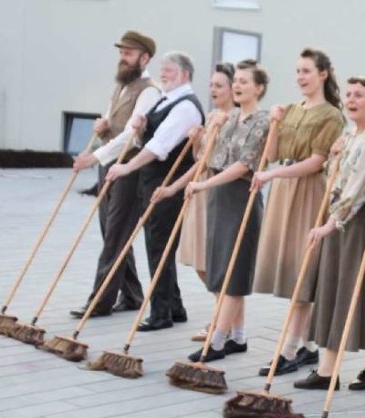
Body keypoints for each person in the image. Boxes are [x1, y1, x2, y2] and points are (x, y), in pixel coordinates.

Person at [153, 60, 270, 361]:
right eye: (237, 81)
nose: (238, 86)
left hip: (239, 197)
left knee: (234, 271)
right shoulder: (228, 120)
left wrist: (204, 186)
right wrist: (205, 138)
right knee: (223, 268)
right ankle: (238, 337)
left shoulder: (263, 121)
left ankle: (217, 341)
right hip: (219, 197)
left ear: (259, 88)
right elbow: (208, 159)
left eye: (245, 81)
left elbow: (244, 164)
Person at [250, 48, 345, 376]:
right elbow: (272, 153)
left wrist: (272, 175)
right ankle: (305, 345)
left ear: (323, 75)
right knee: (290, 268)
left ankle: (290, 348)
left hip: (308, 191)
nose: (301, 77)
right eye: (298, 71)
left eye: (307, 71)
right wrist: (275, 124)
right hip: (283, 190)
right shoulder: (290, 110)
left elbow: (317, 162)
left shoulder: (331, 115)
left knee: (304, 271)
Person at [298, 76, 365, 390]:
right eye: (348, 95)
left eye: (359, 95)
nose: (351, 100)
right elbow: (334, 183)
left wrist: (330, 223)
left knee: (356, 287)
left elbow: (358, 187)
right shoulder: (350, 134)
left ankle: (328, 372)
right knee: (341, 286)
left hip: (359, 220)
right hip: (339, 217)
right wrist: (334, 157)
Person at [106, 51, 205, 332]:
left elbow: (160, 146)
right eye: (162, 70)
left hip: (168, 185)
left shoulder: (185, 106)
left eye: (170, 70)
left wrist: (126, 168)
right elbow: (146, 138)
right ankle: (174, 307)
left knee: (159, 249)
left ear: (185, 74)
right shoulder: (165, 98)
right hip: (152, 183)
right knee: (156, 245)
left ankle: (161, 313)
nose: (163, 74)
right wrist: (138, 128)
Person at [70, 31, 159, 318]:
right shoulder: (120, 85)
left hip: (130, 169)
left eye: (128, 53)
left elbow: (133, 137)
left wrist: (94, 156)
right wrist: (102, 126)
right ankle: (132, 295)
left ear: (144, 58)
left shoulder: (149, 91)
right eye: (121, 52)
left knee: (116, 234)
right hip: (109, 166)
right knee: (111, 231)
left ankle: (100, 301)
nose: (122, 58)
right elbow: (114, 126)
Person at [176, 62, 237, 338]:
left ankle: (222, 321)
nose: (213, 90)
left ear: (233, 89)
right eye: (211, 85)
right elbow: (199, 159)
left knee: (214, 260)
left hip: (218, 190)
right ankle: (220, 314)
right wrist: (196, 140)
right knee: (199, 261)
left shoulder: (236, 118)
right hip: (200, 190)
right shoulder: (212, 116)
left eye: (219, 85)